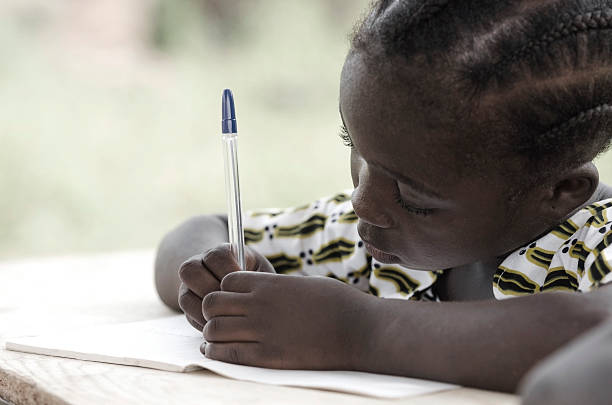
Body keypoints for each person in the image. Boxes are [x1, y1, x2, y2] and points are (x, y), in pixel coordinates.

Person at [154, 0, 612, 393]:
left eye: (414, 196)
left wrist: (356, 332)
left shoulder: (595, 243)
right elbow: (200, 231)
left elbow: (596, 328)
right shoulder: (369, 240)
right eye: (354, 148)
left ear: (560, 190)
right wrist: (218, 278)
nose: (362, 203)